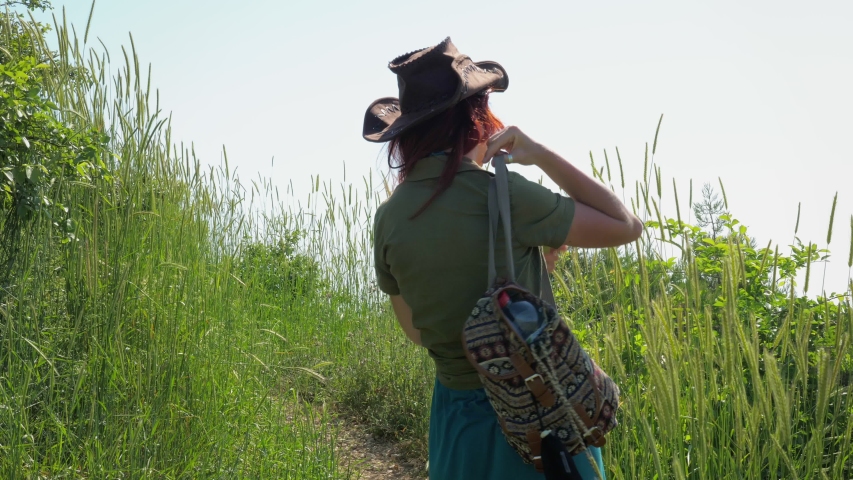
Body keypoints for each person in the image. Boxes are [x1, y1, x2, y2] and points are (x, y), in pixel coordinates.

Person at [363, 38, 643, 480]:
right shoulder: (502, 194)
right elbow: (626, 225)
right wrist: (539, 154)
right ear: (476, 118)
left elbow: (417, 332)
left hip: (457, 425)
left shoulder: (390, 218)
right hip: (536, 417)